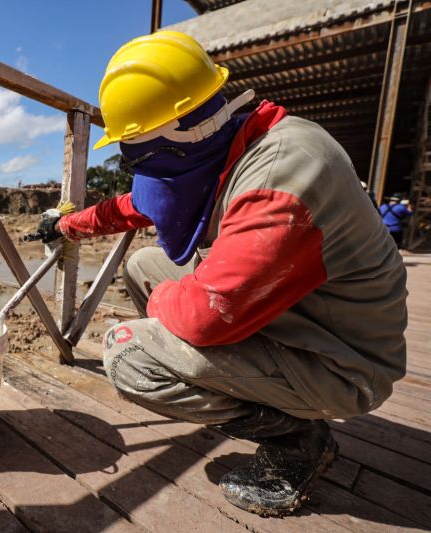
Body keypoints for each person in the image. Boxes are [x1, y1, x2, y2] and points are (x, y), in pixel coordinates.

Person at [35, 31, 407, 516]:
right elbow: (137, 206)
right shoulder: (230, 142)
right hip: (302, 313)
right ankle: (255, 385)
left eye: (136, 153)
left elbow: (203, 319)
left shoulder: (282, 178)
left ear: (174, 135)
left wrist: (175, 297)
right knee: (144, 264)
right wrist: (66, 224)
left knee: (129, 354)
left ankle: (297, 438)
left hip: (341, 359)